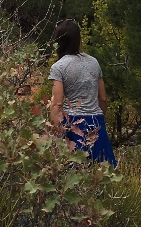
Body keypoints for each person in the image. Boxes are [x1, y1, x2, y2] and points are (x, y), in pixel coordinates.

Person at [49, 19, 117, 166]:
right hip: (96, 121)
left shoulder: (59, 67)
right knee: (102, 171)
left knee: (74, 173)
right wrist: (98, 120)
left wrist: (57, 132)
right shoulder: (94, 62)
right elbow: (103, 98)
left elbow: (57, 104)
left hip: (73, 123)